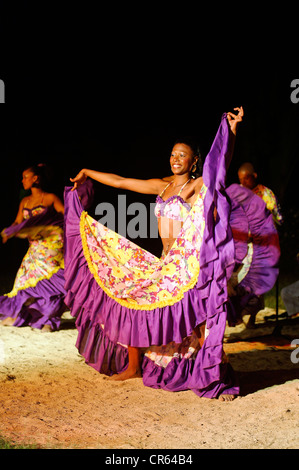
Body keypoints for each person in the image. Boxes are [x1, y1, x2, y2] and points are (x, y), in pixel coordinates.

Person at [64, 108, 243, 400]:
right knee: (129, 292)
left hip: (189, 264)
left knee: (198, 320)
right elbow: (122, 182)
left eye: (182, 155)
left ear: (193, 161)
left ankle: (211, 375)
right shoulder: (162, 186)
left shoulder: (196, 186)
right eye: (173, 154)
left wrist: (231, 131)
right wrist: (88, 172)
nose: (175, 159)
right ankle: (134, 365)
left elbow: (220, 164)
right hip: (166, 261)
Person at [0, 164, 67, 332]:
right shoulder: (25, 201)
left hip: (52, 246)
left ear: (35, 178)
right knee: (24, 281)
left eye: (25, 177)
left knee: (48, 283)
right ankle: (19, 314)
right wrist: (9, 231)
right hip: (34, 247)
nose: (22, 180)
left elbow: (66, 216)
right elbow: (18, 222)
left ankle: (49, 319)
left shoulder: (51, 198)